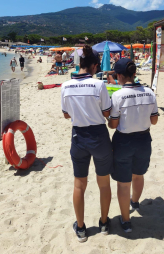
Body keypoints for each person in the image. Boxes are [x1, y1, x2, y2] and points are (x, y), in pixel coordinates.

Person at [61, 45, 113, 243]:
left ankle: (81, 228)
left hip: (79, 137)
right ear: (93, 65)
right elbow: (107, 112)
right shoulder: (99, 85)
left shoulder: (65, 86)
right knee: (104, 183)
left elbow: (66, 115)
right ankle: (104, 223)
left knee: (79, 184)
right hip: (99, 136)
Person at [107, 58, 158, 233]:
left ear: (119, 76)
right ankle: (135, 202)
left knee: (123, 182)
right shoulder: (149, 92)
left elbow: (113, 125)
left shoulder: (118, 95)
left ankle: (126, 220)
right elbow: (155, 120)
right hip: (144, 140)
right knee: (138, 174)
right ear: (134, 73)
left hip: (124, 140)